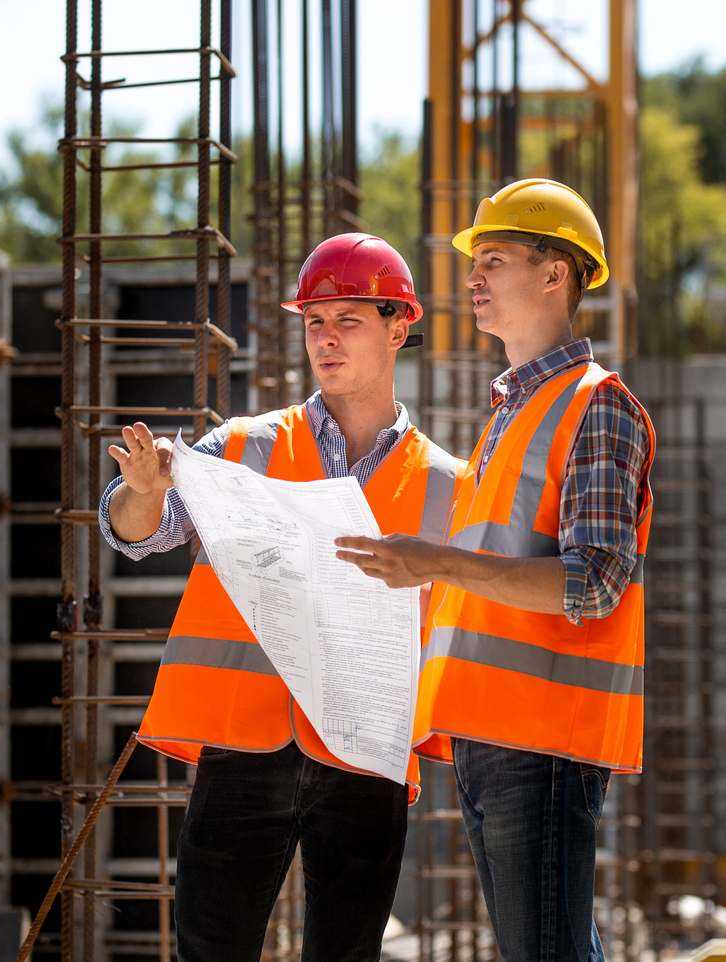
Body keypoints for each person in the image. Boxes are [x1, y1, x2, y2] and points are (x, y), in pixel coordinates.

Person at [98, 233, 461, 962]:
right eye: (314, 323)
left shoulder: (450, 485)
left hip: (364, 758)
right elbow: (139, 532)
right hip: (244, 741)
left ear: (399, 326)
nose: (325, 340)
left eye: (347, 321)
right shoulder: (242, 446)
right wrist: (140, 494)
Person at [336, 179, 655, 962]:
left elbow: (595, 579)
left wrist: (434, 562)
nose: (472, 277)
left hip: (543, 736)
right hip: (491, 731)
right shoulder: (511, 413)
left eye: (497, 258)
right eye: (474, 261)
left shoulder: (595, 404)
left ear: (556, 275)